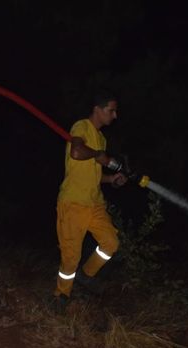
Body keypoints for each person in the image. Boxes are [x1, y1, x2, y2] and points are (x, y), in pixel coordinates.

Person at [52, 90, 128, 312]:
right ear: (98, 109)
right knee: (70, 257)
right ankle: (61, 295)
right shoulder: (81, 127)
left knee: (111, 243)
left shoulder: (102, 138)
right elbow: (76, 152)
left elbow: (93, 175)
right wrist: (98, 155)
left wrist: (111, 178)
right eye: (111, 110)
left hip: (94, 203)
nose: (115, 115)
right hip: (73, 203)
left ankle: (86, 275)